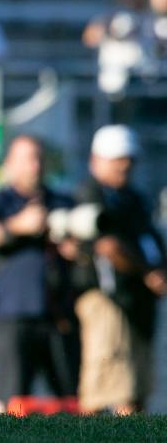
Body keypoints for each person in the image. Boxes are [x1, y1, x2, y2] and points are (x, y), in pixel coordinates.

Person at [0, 136, 79, 415]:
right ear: (9, 164)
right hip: (13, 314)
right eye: (27, 158)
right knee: (11, 401)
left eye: (39, 158)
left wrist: (74, 247)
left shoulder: (62, 201)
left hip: (60, 316)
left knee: (71, 401)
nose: (35, 165)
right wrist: (17, 226)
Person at [65, 125, 166, 414]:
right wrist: (148, 273)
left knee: (137, 388)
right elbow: (108, 246)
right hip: (108, 298)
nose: (124, 165)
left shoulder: (135, 198)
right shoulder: (90, 194)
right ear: (96, 160)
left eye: (128, 158)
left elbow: (150, 240)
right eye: (117, 158)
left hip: (137, 303)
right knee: (108, 385)